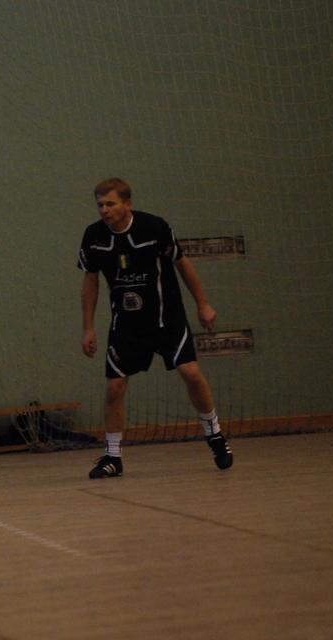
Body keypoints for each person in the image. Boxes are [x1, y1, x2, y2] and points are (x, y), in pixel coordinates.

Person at [78, 177, 234, 478]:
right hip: (126, 324)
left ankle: (215, 435)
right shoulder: (94, 236)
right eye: (100, 205)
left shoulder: (154, 228)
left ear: (127, 204)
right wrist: (88, 328)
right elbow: (90, 282)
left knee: (190, 372)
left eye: (110, 203)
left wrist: (203, 303)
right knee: (114, 387)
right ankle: (112, 457)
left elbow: (182, 263)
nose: (104, 210)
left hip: (166, 318)